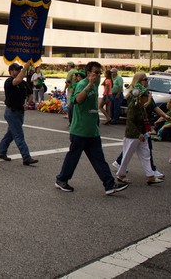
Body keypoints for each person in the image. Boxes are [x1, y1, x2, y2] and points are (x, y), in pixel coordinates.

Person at [55, 61, 129, 195]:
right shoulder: (83, 84)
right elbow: (77, 100)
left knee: (99, 159)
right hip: (79, 130)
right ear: (88, 73)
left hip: (92, 131)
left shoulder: (95, 86)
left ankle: (109, 184)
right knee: (73, 157)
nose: (98, 75)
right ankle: (61, 179)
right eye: (95, 72)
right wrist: (88, 85)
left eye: (99, 73)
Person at [116, 84, 163, 185]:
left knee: (146, 155)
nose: (147, 97)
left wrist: (148, 130)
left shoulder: (141, 106)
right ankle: (120, 175)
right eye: (146, 96)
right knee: (127, 155)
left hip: (142, 135)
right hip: (133, 136)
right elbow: (130, 122)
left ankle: (150, 176)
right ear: (140, 97)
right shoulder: (133, 106)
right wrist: (138, 134)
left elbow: (144, 119)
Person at [0, 62, 39, 165]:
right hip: (11, 112)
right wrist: (25, 67)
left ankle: (1, 151)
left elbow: (30, 94)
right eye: (17, 69)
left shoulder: (23, 83)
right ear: (11, 71)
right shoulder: (9, 81)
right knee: (19, 135)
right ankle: (26, 157)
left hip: (20, 112)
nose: (19, 71)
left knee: (11, 134)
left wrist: (28, 103)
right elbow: (17, 80)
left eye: (19, 69)